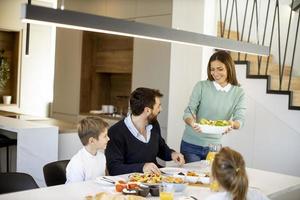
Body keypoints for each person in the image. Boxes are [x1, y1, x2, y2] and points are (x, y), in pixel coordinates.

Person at [181, 50, 246, 163]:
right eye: (212, 69)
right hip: (191, 144)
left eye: (220, 69)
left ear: (229, 69)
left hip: (214, 147)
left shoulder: (238, 92)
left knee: (212, 179)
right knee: (192, 179)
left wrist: (232, 124)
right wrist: (192, 123)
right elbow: (188, 112)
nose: (215, 73)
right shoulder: (201, 86)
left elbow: (240, 119)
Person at [105, 87, 185, 175]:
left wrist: (172, 154)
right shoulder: (116, 132)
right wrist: (142, 167)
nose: (161, 109)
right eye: (158, 106)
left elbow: (161, 148)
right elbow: (114, 169)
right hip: (130, 184)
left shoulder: (154, 124)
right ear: (147, 110)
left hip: (156, 179)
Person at [65, 116, 110, 183]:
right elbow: (75, 190)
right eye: (105, 136)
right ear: (91, 141)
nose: (108, 139)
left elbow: (103, 181)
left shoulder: (102, 156)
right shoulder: (78, 163)